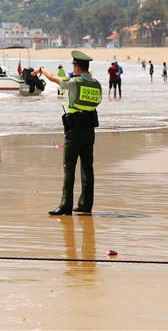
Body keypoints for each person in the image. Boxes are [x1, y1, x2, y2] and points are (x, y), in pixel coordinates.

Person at [36, 51, 102, 216]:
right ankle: (86, 205)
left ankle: (66, 206)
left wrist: (41, 70)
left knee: (69, 168)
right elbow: (98, 101)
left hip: (75, 131)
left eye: (73, 65)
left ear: (77, 66)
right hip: (89, 131)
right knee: (88, 168)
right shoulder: (96, 84)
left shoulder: (74, 82)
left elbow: (53, 78)